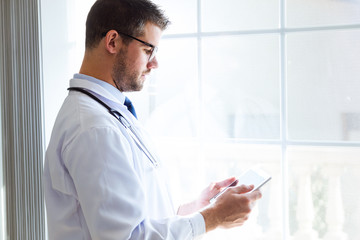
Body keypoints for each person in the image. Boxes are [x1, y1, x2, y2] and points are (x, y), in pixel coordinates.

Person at [43, 0, 262, 239]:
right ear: (113, 41)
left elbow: (137, 217)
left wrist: (198, 208)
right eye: (148, 50)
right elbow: (128, 237)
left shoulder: (109, 112)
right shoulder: (95, 129)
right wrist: (213, 218)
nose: (154, 63)